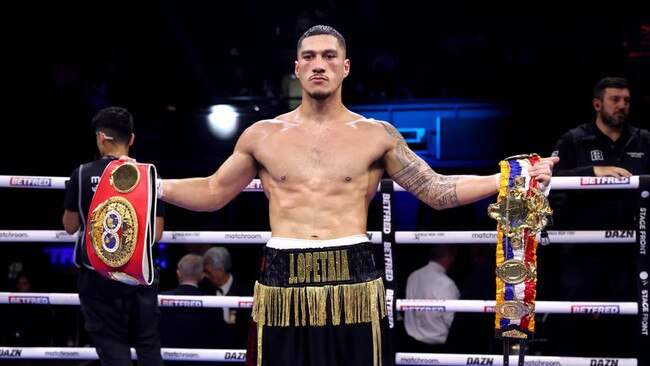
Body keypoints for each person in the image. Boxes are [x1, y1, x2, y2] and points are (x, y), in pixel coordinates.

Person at [142, 25, 557, 366]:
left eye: (327, 56)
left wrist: (507, 177)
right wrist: (150, 186)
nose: (318, 64)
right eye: (308, 56)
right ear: (297, 68)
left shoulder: (376, 135)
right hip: (283, 276)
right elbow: (214, 191)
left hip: (354, 276)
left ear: (345, 67)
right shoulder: (262, 135)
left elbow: (436, 189)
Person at [548, 76, 646, 357]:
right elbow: (547, 177)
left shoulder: (643, 140)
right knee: (574, 323)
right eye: (615, 99)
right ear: (597, 103)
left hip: (629, 250)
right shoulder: (574, 140)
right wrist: (593, 171)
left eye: (626, 100)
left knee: (622, 326)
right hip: (582, 250)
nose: (622, 106)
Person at [62, 106, 166, 365]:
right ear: (131, 139)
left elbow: (70, 226)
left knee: (112, 348)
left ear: (100, 137)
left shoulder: (83, 173)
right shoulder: (149, 175)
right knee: (148, 346)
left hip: (97, 276)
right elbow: (157, 233)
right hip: (139, 276)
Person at [159, 254, 230, 364]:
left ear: (178, 273)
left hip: (167, 362)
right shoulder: (213, 304)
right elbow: (221, 341)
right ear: (202, 276)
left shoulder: (160, 299)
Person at [403, 244, 460, 353]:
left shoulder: (414, 276)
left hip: (410, 346)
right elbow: (452, 322)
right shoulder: (446, 284)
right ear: (450, 257)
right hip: (437, 349)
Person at [201, 246, 252, 350]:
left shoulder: (244, 291)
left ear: (221, 270)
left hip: (238, 350)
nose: (205, 275)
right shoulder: (203, 289)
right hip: (211, 350)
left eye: (208, 271)